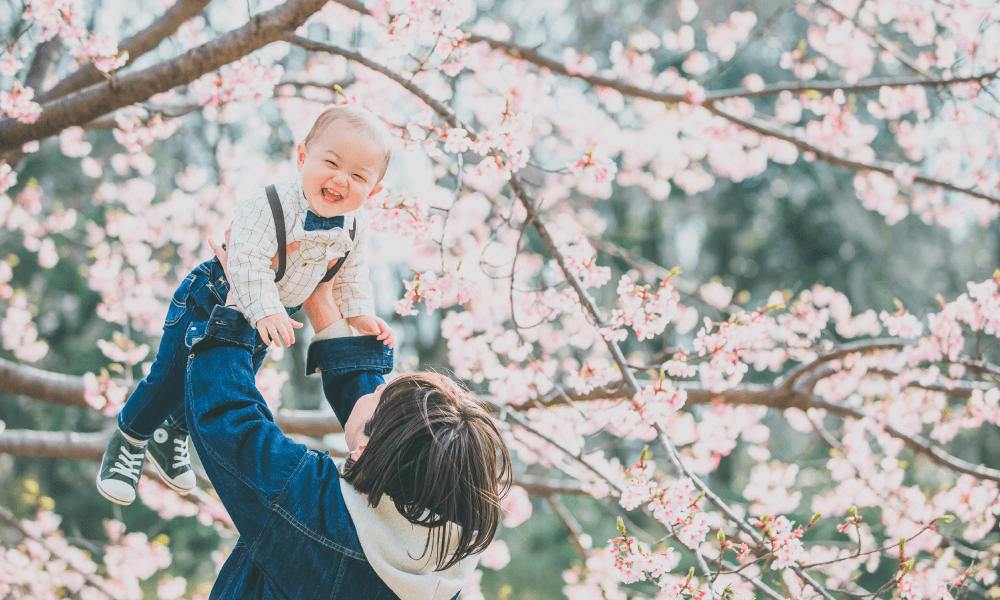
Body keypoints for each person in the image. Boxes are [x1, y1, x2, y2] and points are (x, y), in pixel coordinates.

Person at [97, 104, 396, 506]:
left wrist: (360, 314)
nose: (341, 180)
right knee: (170, 377)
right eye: (331, 163)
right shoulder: (268, 204)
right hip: (213, 299)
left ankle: (173, 434)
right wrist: (265, 310)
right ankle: (130, 438)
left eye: (358, 176)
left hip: (268, 321)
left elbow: (350, 275)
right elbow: (245, 259)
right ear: (303, 156)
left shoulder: (355, 226)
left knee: (218, 385)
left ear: (373, 190)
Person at [183, 254, 512, 599]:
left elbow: (228, 421)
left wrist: (239, 297)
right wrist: (323, 307)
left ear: (365, 451)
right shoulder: (445, 569)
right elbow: (387, 431)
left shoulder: (311, 506)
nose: (378, 385)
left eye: (380, 393)